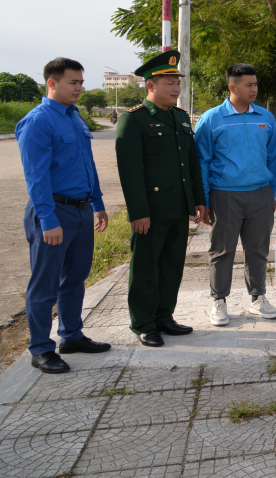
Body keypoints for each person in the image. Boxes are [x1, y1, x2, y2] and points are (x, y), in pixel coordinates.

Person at [16, 57, 111, 373]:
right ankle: (41, 348)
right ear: (52, 82)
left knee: (74, 279)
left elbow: (88, 166)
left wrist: (97, 204)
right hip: (54, 211)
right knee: (44, 285)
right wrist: (48, 219)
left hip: (81, 211)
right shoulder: (38, 121)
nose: (80, 88)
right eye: (73, 82)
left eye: (81, 82)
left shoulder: (75, 118)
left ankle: (71, 335)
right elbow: (36, 176)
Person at [114, 51, 208, 347]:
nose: (176, 89)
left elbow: (192, 164)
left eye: (177, 83)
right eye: (169, 83)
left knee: (171, 265)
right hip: (151, 211)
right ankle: (143, 322)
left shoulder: (180, 118)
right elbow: (130, 173)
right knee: (145, 268)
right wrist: (138, 212)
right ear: (150, 86)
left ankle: (164, 317)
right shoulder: (134, 120)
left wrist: (198, 200)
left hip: (178, 207)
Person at [194, 63, 276, 325]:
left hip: (261, 194)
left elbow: (272, 159)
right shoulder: (211, 119)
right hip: (226, 195)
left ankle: (258, 298)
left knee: (258, 249)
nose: (254, 89)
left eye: (255, 84)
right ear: (232, 87)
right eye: (249, 85)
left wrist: (271, 193)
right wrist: (206, 201)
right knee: (222, 250)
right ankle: (218, 301)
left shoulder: (266, 117)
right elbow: (202, 162)